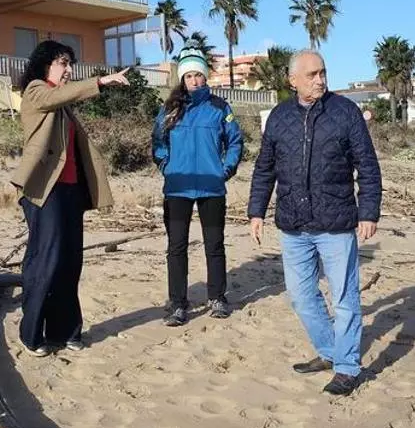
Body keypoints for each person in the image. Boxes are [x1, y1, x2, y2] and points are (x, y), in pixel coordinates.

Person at [247, 50, 382, 396]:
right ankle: (329, 351)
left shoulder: (345, 112)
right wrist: (256, 211)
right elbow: (265, 168)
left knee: (345, 299)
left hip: (336, 224)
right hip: (293, 225)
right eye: (312, 75)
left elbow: (367, 166)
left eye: (323, 73)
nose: (320, 80)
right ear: (292, 80)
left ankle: (347, 367)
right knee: (301, 297)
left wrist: (368, 212)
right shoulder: (279, 117)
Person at [9, 40, 130, 357]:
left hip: (70, 191)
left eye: (70, 63)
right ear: (45, 65)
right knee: (45, 260)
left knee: (69, 262)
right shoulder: (36, 92)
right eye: (63, 63)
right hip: (45, 191)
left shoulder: (63, 106)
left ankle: (65, 332)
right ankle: (31, 334)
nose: (69, 70)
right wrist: (101, 81)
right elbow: (55, 96)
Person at [152, 45, 244, 326]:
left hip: (211, 188)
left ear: (205, 76)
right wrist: (166, 166)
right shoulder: (169, 108)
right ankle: (178, 304)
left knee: (214, 245)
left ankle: (217, 298)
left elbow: (235, 141)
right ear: (182, 78)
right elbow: (158, 142)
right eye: (189, 75)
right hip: (177, 188)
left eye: (198, 75)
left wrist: (225, 170)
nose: (194, 80)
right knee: (176, 247)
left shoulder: (220, 108)